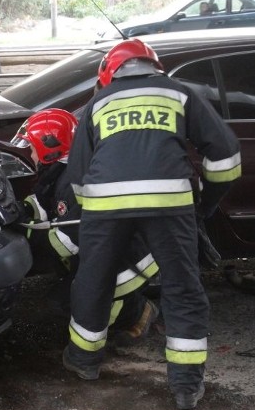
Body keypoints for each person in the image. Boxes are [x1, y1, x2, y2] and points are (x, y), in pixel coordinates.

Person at [63, 38, 242, 410]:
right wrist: (203, 204)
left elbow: (78, 176)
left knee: (94, 280)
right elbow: (225, 159)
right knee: (182, 289)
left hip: (105, 206)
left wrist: (93, 213)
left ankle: (83, 362)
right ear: (154, 66)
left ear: (108, 73)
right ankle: (186, 387)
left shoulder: (98, 103)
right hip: (169, 205)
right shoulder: (181, 94)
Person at [12, 108, 160, 347]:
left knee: (70, 301)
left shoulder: (74, 181)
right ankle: (119, 301)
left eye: (32, 146)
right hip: (113, 250)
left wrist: (25, 236)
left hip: (128, 259)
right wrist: (20, 210)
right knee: (71, 287)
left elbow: (66, 240)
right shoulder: (65, 168)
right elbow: (43, 203)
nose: (30, 152)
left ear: (49, 146)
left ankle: (138, 312)